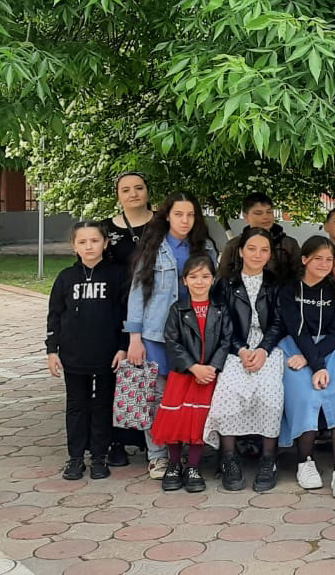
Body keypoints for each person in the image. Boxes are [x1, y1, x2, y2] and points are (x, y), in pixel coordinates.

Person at [125, 192, 218, 479]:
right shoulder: (153, 246)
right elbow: (137, 292)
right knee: (156, 396)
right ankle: (158, 457)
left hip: (195, 335)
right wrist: (134, 337)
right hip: (156, 333)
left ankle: (185, 455)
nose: (185, 220)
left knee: (188, 395)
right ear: (167, 215)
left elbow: (215, 291)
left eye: (190, 214)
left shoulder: (205, 247)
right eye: (179, 214)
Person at [273, 237, 335, 499]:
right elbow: (297, 330)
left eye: (329, 259)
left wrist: (316, 360)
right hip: (296, 349)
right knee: (305, 396)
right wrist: (313, 363)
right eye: (318, 258)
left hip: (329, 350)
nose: (324, 264)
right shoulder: (289, 290)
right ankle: (305, 462)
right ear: (304, 259)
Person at [47, 221, 129, 481]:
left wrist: (123, 347)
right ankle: (75, 457)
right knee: (76, 405)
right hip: (73, 355)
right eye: (82, 242)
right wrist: (52, 350)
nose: (89, 246)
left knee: (103, 405)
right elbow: (54, 315)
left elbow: (127, 314)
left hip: (108, 355)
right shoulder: (65, 277)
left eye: (94, 240)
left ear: (105, 243)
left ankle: (99, 456)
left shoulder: (118, 275)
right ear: (74, 246)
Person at [205, 228, 285, 492]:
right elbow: (222, 324)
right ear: (240, 251)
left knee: (271, 392)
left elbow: (278, 322)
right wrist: (241, 350)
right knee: (227, 391)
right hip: (234, 347)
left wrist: (263, 349)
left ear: (270, 254)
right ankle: (229, 458)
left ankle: (269, 459)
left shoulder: (276, 283)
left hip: (268, 347)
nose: (257, 255)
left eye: (264, 250)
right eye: (252, 249)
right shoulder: (225, 283)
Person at [150, 256, 232, 493]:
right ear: (184, 280)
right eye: (193, 277)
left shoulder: (220, 309)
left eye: (205, 276)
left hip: (208, 376)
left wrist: (212, 367)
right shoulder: (178, 309)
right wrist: (193, 367)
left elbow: (226, 340)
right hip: (183, 375)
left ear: (213, 279)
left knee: (198, 422)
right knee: (176, 419)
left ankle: (193, 467)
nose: (199, 282)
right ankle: (174, 464)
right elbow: (172, 341)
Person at [99, 172, 153, 469]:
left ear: (148, 192)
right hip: (115, 308)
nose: (133, 194)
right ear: (118, 195)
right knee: (117, 371)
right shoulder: (106, 229)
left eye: (139, 188)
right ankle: (116, 441)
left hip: (155, 307)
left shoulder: (162, 224)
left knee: (151, 372)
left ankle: (150, 438)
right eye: (126, 189)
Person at [216, 192, 300, 282]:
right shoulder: (234, 245)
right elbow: (222, 279)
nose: (266, 217)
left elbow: (300, 276)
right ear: (246, 216)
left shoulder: (288, 244)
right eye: (258, 213)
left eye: (269, 212)